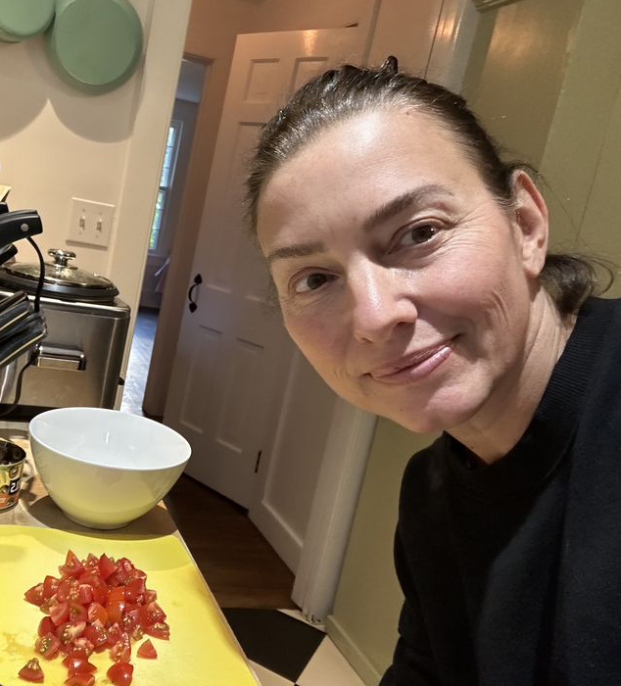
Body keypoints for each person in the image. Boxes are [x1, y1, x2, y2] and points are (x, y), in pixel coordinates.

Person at [245, 57, 620, 685]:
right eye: (313, 279)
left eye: (419, 233)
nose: (373, 317)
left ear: (526, 225)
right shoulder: (432, 497)